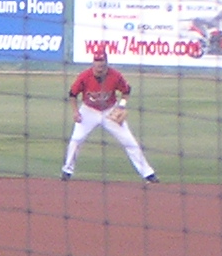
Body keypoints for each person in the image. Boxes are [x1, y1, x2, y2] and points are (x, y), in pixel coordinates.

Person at [61, 49, 157, 182]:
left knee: (129, 141)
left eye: (102, 61)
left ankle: (148, 174)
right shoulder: (84, 76)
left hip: (109, 111)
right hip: (89, 111)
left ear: (106, 62)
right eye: (97, 61)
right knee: (76, 140)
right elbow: (72, 94)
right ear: (93, 62)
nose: (99, 64)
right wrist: (76, 111)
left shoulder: (115, 75)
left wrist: (121, 106)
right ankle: (67, 171)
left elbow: (126, 91)